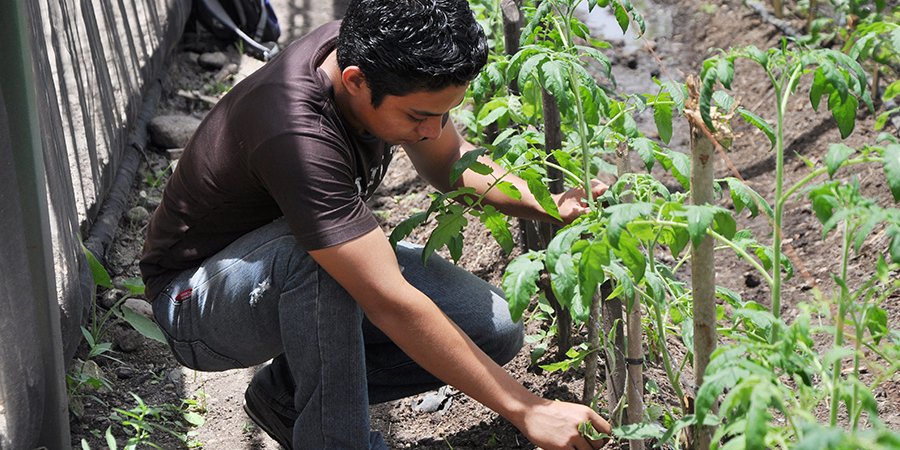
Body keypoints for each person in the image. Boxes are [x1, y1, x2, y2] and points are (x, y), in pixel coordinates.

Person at [140, 0, 611, 448]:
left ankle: (284, 400)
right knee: (321, 262)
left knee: (494, 328)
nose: (432, 130)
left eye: (444, 113)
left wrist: (547, 203)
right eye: (419, 116)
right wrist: (526, 409)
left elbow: (449, 159)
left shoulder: (373, 54)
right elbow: (389, 301)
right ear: (356, 81)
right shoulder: (296, 131)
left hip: (280, 267)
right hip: (198, 303)